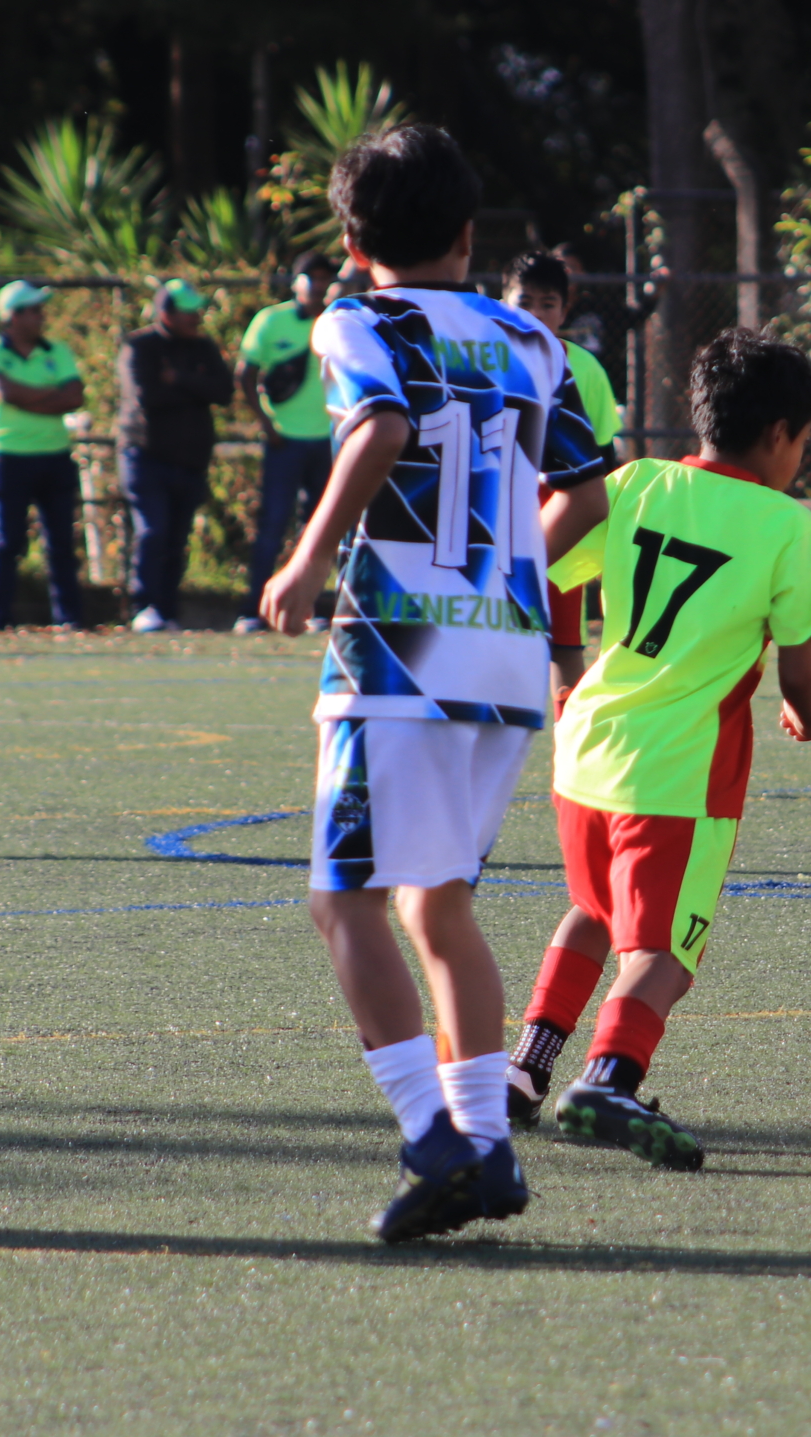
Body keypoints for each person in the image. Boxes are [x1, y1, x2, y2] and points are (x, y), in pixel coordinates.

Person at [254, 124, 610, 1242]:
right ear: (468, 233)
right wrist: (503, 578)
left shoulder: (355, 320)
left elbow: (383, 423)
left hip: (397, 653)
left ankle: (432, 1134)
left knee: (343, 899)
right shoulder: (531, 338)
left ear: (353, 245)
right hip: (505, 659)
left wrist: (307, 558)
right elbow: (586, 494)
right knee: (436, 902)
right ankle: (487, 1149)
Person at [500, 328, 811, 1171]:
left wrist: (564, 663)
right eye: (804, 440)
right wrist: (806, 713)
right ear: (780, 434)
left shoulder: (635, 480)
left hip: (589, 743)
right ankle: (609, 1077)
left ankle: (526, 1067)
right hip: (679, 770)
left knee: (594, 909)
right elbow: (797, 666)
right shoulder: (785, 524)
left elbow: (552, 569)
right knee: (663, 956)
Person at [503, 249, 623, 696]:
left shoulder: (584, 368)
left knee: (564, 645)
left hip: (562, 517)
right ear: (502, 302)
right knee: (488, 634)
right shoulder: (480, 362)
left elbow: (603, 457)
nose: (535, 313)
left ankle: (570, 731)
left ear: (565, 310)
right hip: (495, 518)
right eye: (524, 301)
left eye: (548, 303)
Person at [116, 279, 235, 633]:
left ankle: (167, 611)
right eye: (188, 312)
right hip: (146, 456)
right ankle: (143, 606)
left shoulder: (203, 348)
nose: (196, 318)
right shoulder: (140, 347)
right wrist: (196, 387)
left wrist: (179, 379)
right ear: (166, 314)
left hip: (190, 459)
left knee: (176, 539)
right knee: (153, 531)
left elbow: (223, 391)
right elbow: (147, 396)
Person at [235, 250, 345, 634]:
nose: (318, 285)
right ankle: (254, 611)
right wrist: (267, 425)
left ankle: (309, 609)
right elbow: (246, 375)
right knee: (272, 524)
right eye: (311, 277)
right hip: (284, 442)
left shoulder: (338, 322)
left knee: (320, 529)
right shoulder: (272, 320)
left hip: (327, 443)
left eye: (324, 278)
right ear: (295, 281)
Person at [0, 280, 86, 631]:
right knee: (8, 542)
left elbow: (74, 397)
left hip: (54, 455)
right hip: (8, 457)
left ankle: (69, 619)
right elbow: (3, 392)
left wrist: (26, 397)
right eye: (34, 310)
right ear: (12, 316)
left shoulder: (57, 350)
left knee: (61, 543)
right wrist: (50, 396)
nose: (41, 316)